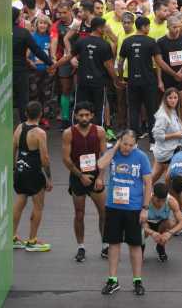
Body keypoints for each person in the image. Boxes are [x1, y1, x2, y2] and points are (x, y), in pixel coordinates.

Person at [96, 131, 152, 296]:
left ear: (135, 144)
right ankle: (113, 280)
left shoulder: (141, 157)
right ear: (120, 141)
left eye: (130, 145)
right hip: (114, 206)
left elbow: (148, 183)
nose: (127, 148)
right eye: (124, 144)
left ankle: (137, 281)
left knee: (135, 245)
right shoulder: (113, 154)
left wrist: (145, 208)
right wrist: (114, 149)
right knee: (114, 243)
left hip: (134, 208)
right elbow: (100, 165)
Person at [51, 14, 123, 127]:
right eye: (104, 27)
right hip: (98, 83)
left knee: (79, 107)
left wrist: (54, 66)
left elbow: (67, 57)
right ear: (99, 29)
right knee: (99, 109)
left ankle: (76, 132)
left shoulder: (81, 41)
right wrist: (116, 80)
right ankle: (99, 134)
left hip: (82, 81)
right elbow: (109, 66)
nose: (106, 29)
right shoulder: (104, 45)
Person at [62, 102, 109, 262]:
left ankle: (105, 246)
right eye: (81, 115)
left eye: (87, 115)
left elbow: (104, 155)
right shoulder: (69, 133)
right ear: (75, 116)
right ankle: (80, 246)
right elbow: (66, 159)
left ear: (92, 116)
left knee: (104, 212)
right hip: (77, 177)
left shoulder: (100, 131)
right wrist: (80, 175)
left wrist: (101, 177)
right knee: (79, 214)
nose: (84, 118)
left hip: (96, 175)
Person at [118, 16, 171, 140]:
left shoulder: (127, 41)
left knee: (133, 110)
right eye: (148, 26)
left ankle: (133, 140)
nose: (149, 28)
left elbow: (120, 63)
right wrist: (174, 74)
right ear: (144, 27)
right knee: (151, 110)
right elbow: (160, 62)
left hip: (132, 81)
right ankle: (153, 141)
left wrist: (120, 79)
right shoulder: (151, 41)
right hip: (149, 82)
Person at [12, 101, 54, 252]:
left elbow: (13, 149)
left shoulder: (19, 128)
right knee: (38, 206)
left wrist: (14, 169)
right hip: (34, 173)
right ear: (41, 115)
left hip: (20, 170)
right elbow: (45, 159)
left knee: (20, 201)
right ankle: (32, 241)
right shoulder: (40, 133)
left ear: (25, 114)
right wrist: (48, 178)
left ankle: (13, 237)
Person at [13, 8, 54, 124]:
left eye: (45, 23)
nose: (43, 25)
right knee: (30, 96)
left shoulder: (49, 37)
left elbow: (48, 52)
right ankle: (30, 121)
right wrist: (50, 63)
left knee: (44, 95)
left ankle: (40, 118)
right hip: (29, 71)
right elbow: (34, 51)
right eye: (40, 22)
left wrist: (51, 64)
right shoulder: (27, 34)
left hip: (44, 71)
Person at [157, 15, 182, 122]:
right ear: (168, 27)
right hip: (167, 77)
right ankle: (169, 126)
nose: (177, 29)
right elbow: (159, 63)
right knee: (168, 104)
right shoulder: (161, 42)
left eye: (178, 27)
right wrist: (160, 81)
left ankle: (181, 126)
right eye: (174, 27)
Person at [143, 183, 182, 263]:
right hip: (146, 223)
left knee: (170, 224)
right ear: (153, 196)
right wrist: (152, 233)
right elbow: (136, 222)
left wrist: (169, 233)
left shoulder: (171, 201)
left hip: (161, 224)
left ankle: (160, 246)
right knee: (140, 231)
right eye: (158, 200)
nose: (161, 203)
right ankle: (141, 248)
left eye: (163, 201)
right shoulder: (146, 200)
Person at [151, 88, 182, 183]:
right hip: (166, 153)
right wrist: (176, 135)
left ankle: (141, 193)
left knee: (153, 178)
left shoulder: (173, 111)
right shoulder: (163, 116)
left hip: (170, 150)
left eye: (175, 97)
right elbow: (157, 135)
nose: (173, 100)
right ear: (165, 99)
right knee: (170, 181)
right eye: (170, 98)